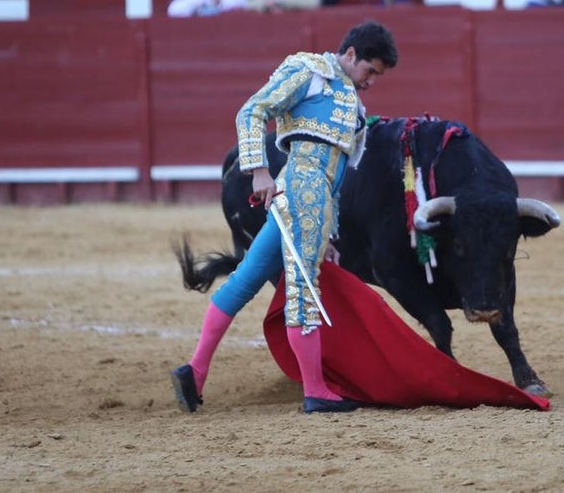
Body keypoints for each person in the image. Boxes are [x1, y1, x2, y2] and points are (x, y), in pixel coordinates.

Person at [170, 20, 398, 414]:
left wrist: (329, 232)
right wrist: (259, 170)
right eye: (370, 70)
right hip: (301, 187)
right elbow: (252, 111)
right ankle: (316, 391)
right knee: (304, 289)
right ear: (349, 55)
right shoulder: (310, 71)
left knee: (245, 280)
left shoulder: (353, 105)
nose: (372, 81)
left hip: (312, 198)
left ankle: (196, 371)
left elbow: (338, 177)